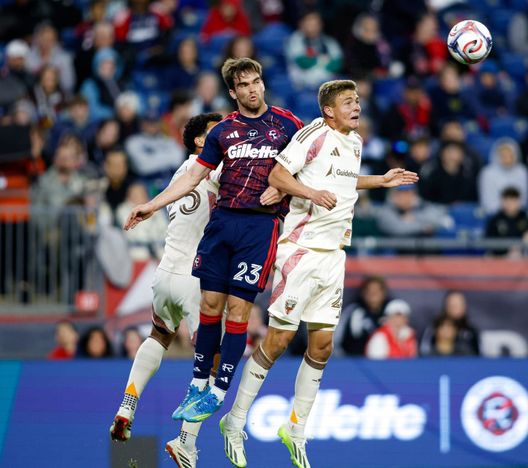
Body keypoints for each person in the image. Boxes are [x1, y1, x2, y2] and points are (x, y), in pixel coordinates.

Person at [215, 79, 417, 468]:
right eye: (347, 102)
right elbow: (277, 177)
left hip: (334, 255)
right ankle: (234, 420)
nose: (356, 107)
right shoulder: (314, 133)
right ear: (328, 110)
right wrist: (309, 194)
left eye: (358, 100)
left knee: (322, 346)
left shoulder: (354, 143)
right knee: (278, 340)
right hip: (301, 251)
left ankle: (296, 429)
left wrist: (380, 181)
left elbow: (338, 182)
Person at [123, 58, 303, 436]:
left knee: (237, 313)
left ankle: (219, 389)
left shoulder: (288, 124)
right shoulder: (223, 132)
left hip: (258, 227)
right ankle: (198, 386)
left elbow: (307, 164)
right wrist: (151, 206)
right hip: (223, 225)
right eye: (245, 85)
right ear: (233, 92)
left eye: (257, 82)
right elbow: (192, 175)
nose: (254, 89)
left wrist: (284, 187)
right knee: (209, 307)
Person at [110, 113, 224, 468]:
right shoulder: (216, 169)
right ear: (200, 143)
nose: (226, 136)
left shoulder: (182, 172)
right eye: (215, 132)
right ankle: (185, 441)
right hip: (195, 277)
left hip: (164, 273)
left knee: (158, 335)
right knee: (216, 360)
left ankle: (128, 403)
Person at [335, 275, 390, 356]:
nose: (372, 295)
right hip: (353, 361)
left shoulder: (391, 313)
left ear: (383, 293)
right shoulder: (352, 312)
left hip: (386, 363)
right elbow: (336, 340)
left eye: (376, 291)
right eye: (369, 291)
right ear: (363, 293)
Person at [419, 290, 479, 356]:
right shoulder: (432, 328)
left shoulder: (471, 331)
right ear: (446, 306)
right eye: (452, 305)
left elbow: (477, 358)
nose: (455, 308)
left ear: (464, 306)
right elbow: (424, 352)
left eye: (458, 304)